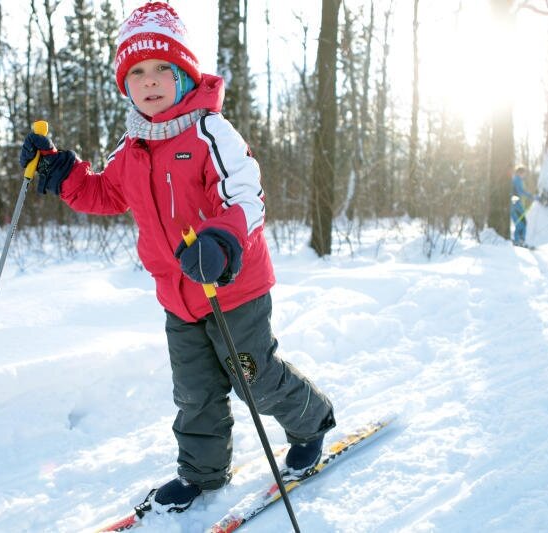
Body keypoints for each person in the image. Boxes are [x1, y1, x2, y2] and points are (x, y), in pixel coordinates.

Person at [18, 1, 335, 513]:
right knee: (195, 392)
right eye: (136, 72)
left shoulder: (211, 131)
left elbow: (245, 196)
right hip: (177, 295)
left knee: (251, 377)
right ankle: (203, 474)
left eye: (162, 68)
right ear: (126, 84)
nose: (149, 81)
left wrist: (223, 240)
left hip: (232, 284)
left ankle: (311, 423)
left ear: (185, 74)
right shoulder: (134, 146)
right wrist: (63, 173)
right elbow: (106, 193)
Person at [510, 167, 535, 247]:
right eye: (524, 173)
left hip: (516, 204)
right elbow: (520, 191)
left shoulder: (516, 180)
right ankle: (518, 241)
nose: (524, 175)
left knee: (523, 223)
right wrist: (531, 196)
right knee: (520, 224)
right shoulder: (517, 180)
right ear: (520, 173)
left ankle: (520, 241)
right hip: (515, 205)